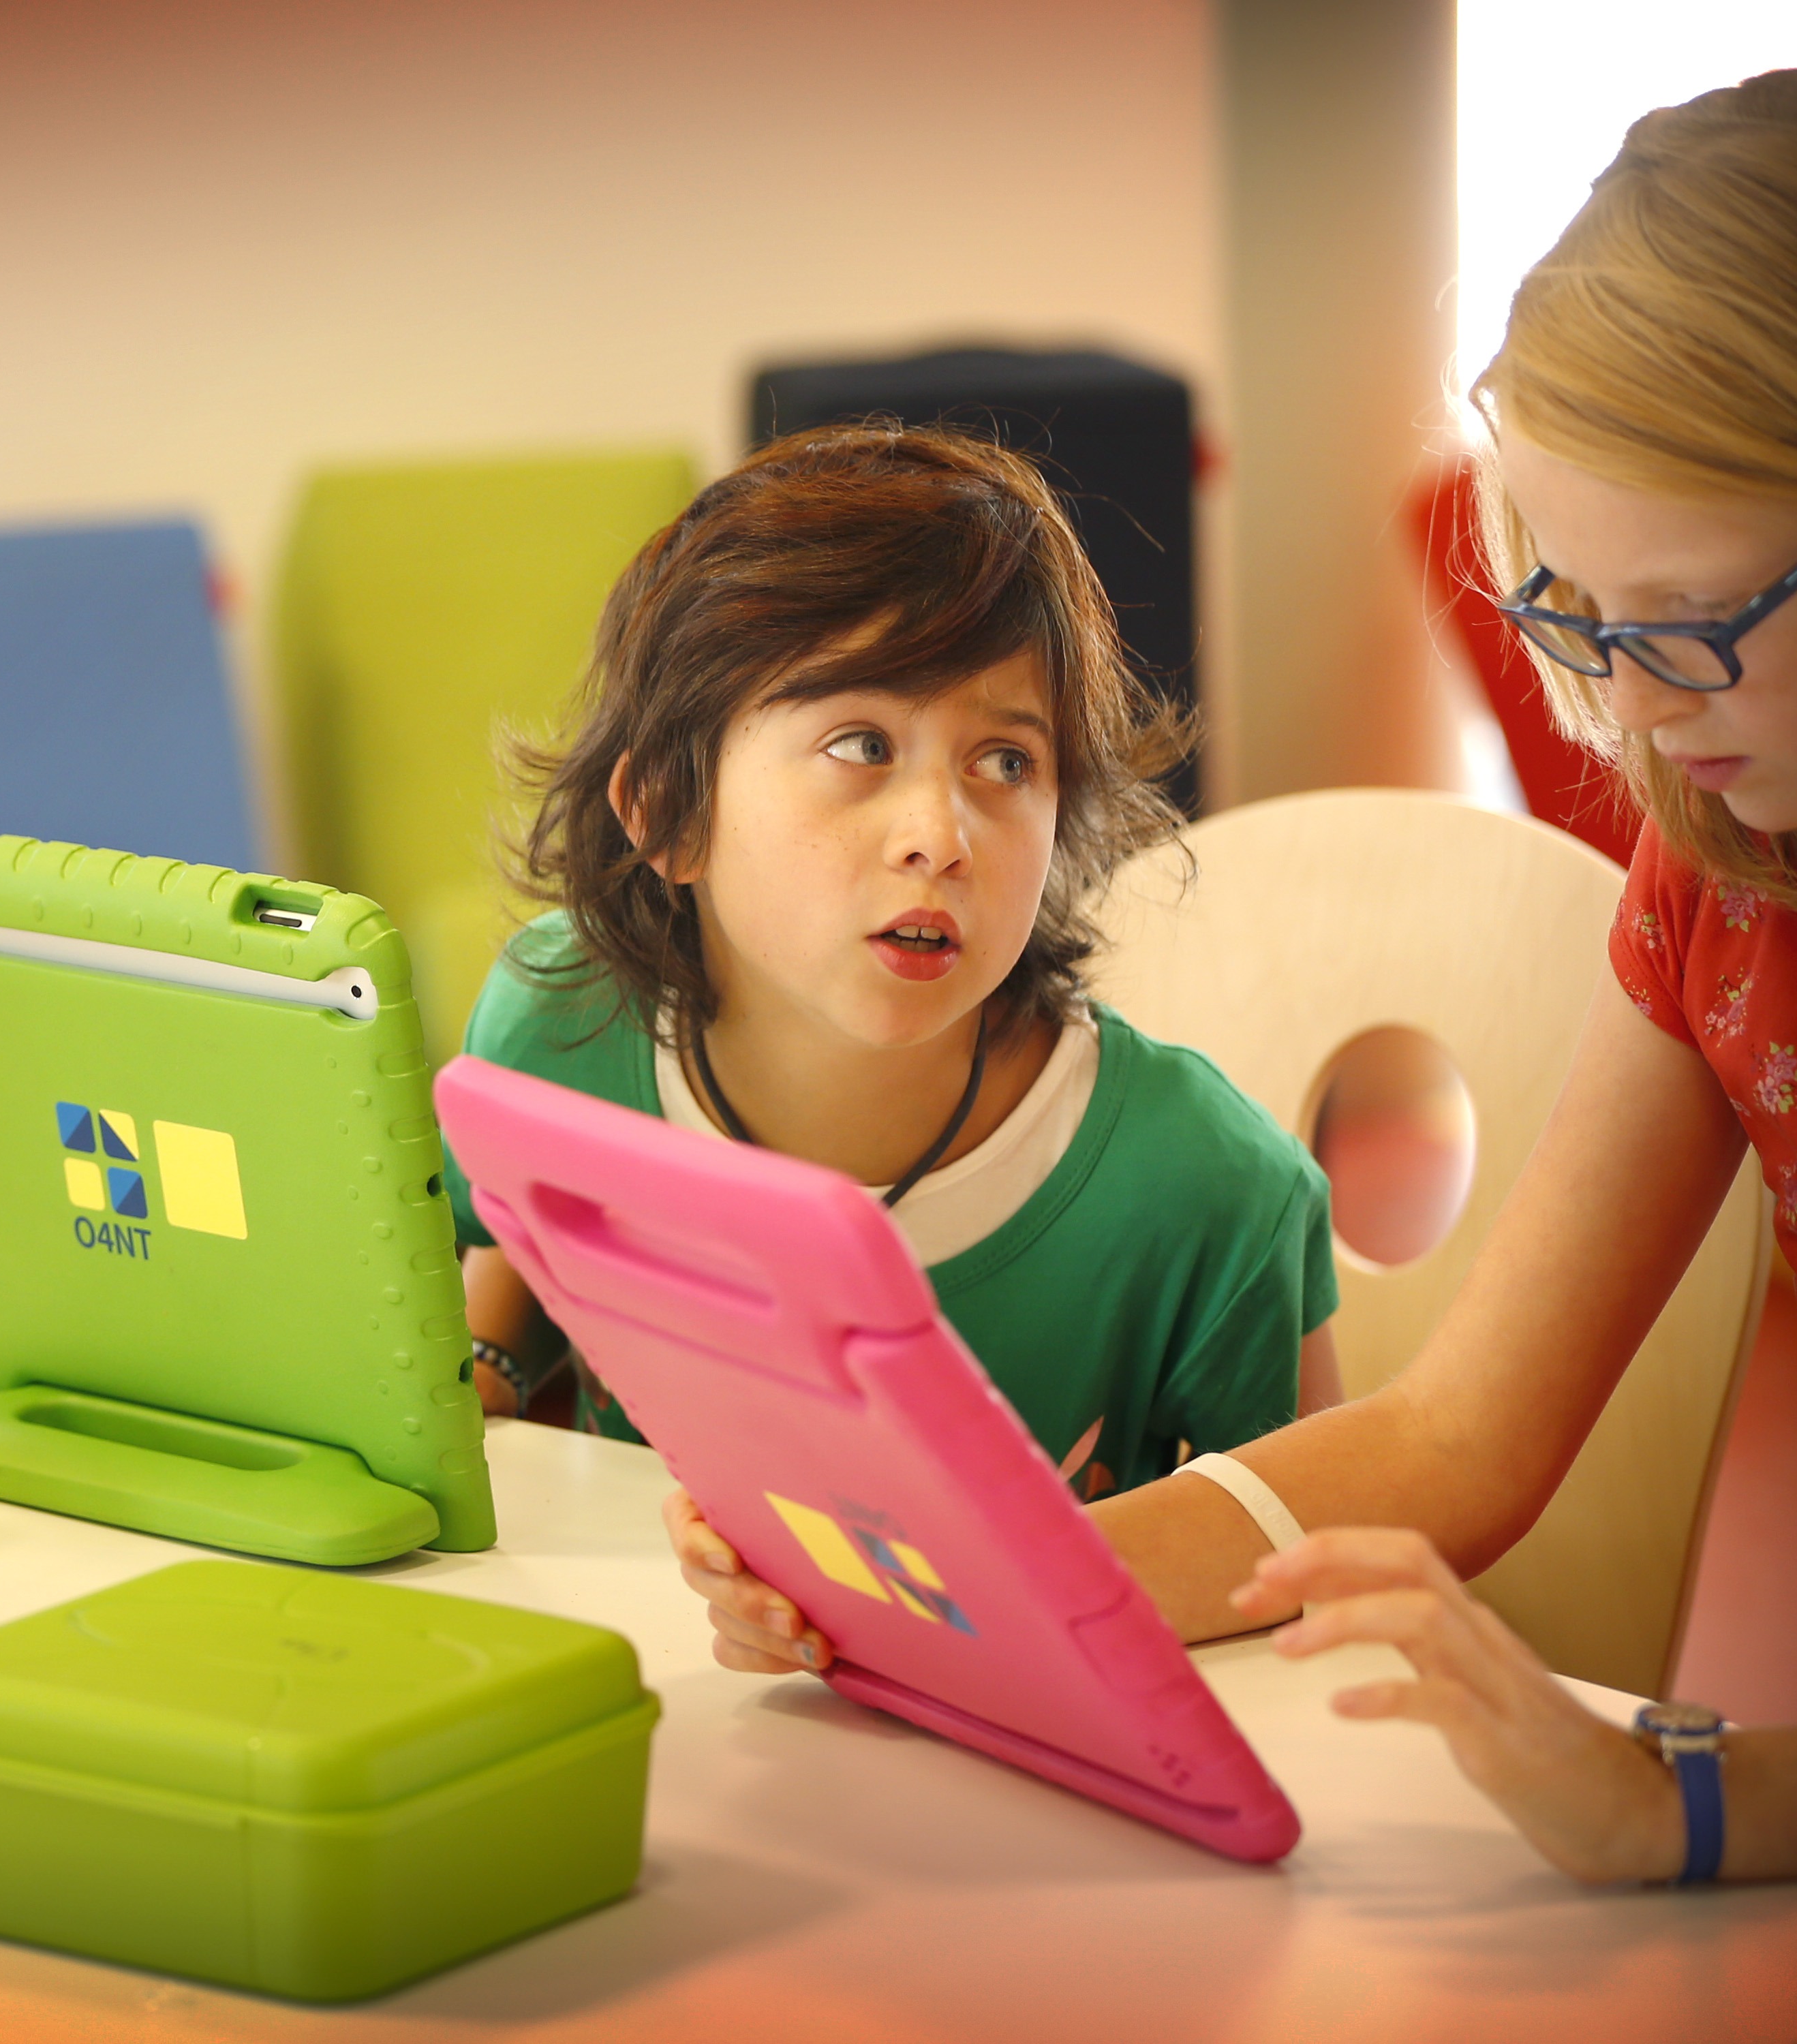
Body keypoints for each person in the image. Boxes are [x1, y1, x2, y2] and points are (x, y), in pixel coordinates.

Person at [669, 69, 1797, 1885]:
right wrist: (969, 1595)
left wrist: (1681, 1802)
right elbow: (1465, 1433)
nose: (1628, 713)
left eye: (1692, 624)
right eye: (1576, 619)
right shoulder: (1730, 887)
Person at [448, 422, 1342, 1498]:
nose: (942, 834)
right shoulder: (557, 1025)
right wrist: (488, 1367)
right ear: (667, 814)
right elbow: (511, 1273)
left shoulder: (1206, 1192)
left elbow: (1321, 1571)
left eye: (1005, 761)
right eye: (863, 746)